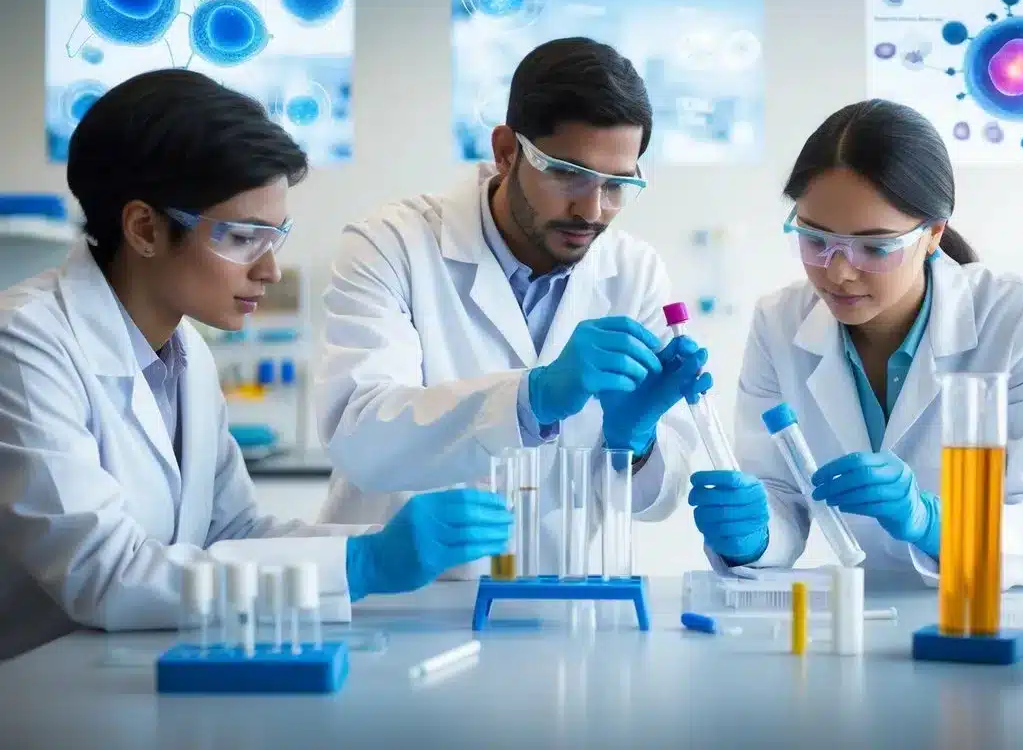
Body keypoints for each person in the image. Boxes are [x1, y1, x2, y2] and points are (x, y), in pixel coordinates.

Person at [0, 69, 512, 660]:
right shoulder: (24, 345)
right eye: (243, 237)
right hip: (37, 700)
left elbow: (233, 534)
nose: (269, 270)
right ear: (144, 228)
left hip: (131, 679)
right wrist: (363, 564)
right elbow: (105, 575)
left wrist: (389, 544)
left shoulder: (183, 353)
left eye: (275, 237)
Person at [314, 37, 710, 573]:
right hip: (412, 603)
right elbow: (358, 437)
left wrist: (634, 442)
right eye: (568, 173)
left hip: (561, 597)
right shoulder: (392, 245)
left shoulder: (634, 272)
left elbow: (652, 501)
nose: (592, 210)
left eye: (616, 184)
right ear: (506, 151)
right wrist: (531, 398)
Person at [689, 99, 1023, 588]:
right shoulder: (779, 322)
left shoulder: (1019, 317)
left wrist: (934, 522)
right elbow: (778, 495)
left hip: (984, 614)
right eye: (816, 240)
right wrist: (750, 536)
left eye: (876, 247)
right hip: (858, 616)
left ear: (933, 235)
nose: (838, 272)